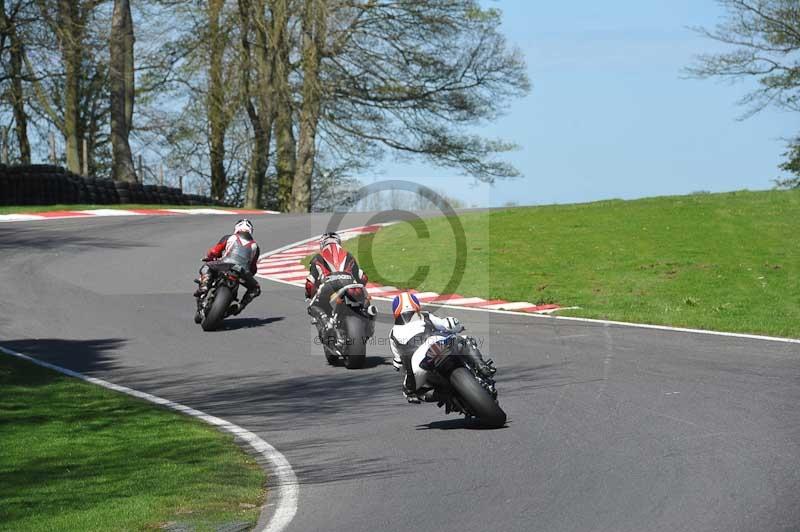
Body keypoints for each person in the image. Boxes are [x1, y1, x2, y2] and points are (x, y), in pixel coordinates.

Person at [389, 291, 495, 403]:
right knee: (464, 340)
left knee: (409, 392)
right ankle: (482, 366)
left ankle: (447, 398)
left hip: (417, 367)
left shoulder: (392, 333)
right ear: (416, 305)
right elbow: (447, 324)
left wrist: (407, 373)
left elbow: (398, 364)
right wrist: (458, 326)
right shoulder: (425, 315)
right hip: (436, 345)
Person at [305, 231, 369, 343]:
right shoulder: (349, 256)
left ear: (322, 244)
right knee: (365, 302)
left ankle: (325, 319)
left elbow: (310, 283)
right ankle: (368, 316)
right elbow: (362, 277)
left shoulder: (317, 258)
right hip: (350, 284)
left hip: (329, 285)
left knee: (312, 306)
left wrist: (310, 294)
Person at [194, 219, 261, 322]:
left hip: (224, 265)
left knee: (206, 266)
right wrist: (247, 275)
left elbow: (213, 252)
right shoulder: (255, 247)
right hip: (242, 272)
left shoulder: (229, 237)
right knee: (255, 289)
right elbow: (253, 269)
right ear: (251, 231)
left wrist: (210, 257)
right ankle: (240, 306)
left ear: (236, 228)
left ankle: (204, 287)